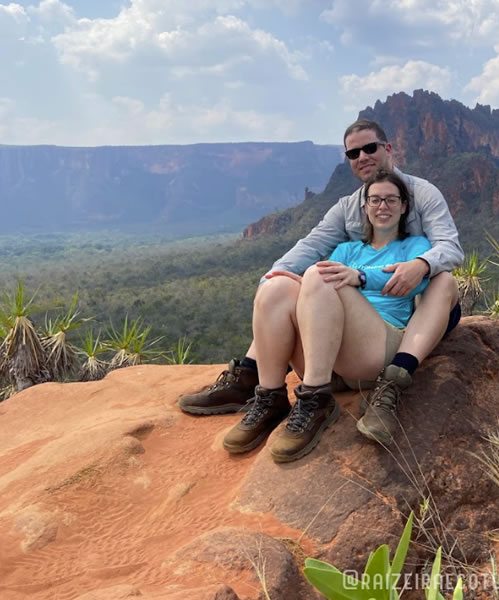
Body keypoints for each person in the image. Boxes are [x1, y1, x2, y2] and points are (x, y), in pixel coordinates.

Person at [178, 119, 463, 448]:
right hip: (348, 328)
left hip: (405, 316)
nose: (362, 157)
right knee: (282, 283)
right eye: (353, 153)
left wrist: (420, 264)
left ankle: (389, 380)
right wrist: (270, 283)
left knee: (443, 278)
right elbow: (309, 247)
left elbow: (450, 248)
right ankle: (261, 388)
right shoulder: (347, 213)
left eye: (370, 148)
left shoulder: (422, 196)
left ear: (388, 149)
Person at [223, 169, 431, 460]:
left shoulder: (416, 246)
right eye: (375, 200)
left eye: (391, 200)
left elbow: (421, 280)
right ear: (365, 207)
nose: (382, 206)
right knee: (276, 287)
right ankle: (270, 397)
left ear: (404, 206)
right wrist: (288, 283)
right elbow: (317, 291)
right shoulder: (346, 249)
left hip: (374, 349)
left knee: (319, 275)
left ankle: (315, 401)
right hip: (327, 355)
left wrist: (359, 277)